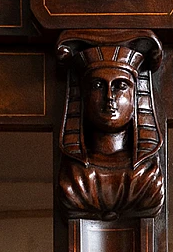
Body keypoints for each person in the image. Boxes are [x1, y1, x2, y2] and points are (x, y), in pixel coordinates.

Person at [57, 33, 164, 220]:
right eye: (97, 85)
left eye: (120, 86)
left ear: (136, 96)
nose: (109, 97)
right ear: (83, 96)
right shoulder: (74, 178)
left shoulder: (148, 177)